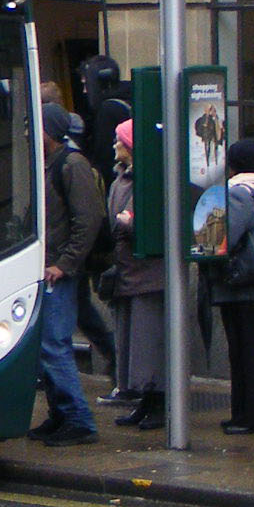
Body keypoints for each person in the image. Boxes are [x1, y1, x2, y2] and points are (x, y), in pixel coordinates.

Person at [32, 102, 101, 445]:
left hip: (60, 270)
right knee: (45, 345)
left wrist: (65, 264)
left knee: (54, 344)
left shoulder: (72, 165)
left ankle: (78, 418)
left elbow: (87, 220)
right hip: (46, 268)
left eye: (38, 127)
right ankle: (59, 414)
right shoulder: (48, 164)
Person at [213, 138, 254, 435]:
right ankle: (243, 413)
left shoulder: (239, 194)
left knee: (244, 350)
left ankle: (250, 415)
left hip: (242, 285)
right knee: (247, 348)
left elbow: (222, 236)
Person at [107, 118, 164, 430]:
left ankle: (158, 398)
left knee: (150, 341)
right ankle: (145, 398)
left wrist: (127, 222)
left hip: (148, 274)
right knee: (135, 342)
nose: (115, 146)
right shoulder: (121, 180)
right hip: (129, 271)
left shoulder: (147, 180)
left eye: (120, 141)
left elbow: (144, 222)